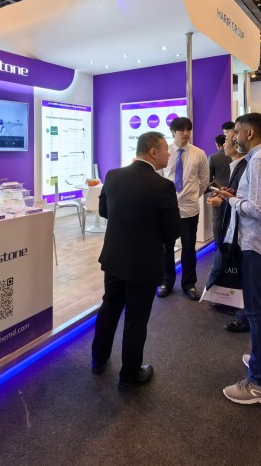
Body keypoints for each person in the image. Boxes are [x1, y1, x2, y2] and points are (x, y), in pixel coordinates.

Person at [91, 131, 181, 392]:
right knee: (135, 319)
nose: (169, 153)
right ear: (153, 152)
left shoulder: (113, 175)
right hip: (143, 264)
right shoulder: (162, 186)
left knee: (109, 308)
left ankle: (98, 360)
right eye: (165, 149)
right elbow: (172, 231)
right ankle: (129, 375)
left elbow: (104, 211)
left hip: (114, 258)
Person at [215, 113, 261, 405]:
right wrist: (237, 195)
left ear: (249, 133)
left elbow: (258, 210)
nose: (232, 137)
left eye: (236, 131)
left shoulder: (259, 161)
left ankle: (259, 384)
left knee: (258, 311)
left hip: (257, 245)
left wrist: (232, 200)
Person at [157, 117, 210, 301]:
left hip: (189, 209)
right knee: (166, 248)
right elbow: (158, 177)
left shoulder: (199, 153)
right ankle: (166, 281)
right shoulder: (164, 152)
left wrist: (193, 196)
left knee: (188, 248)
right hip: (167, 209)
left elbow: (204, 180)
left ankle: (189, 284)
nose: (186, 133)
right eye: (181, 130)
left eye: (188, 129)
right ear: (173, 132)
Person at [205, 125, 249, 332]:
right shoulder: (237, 165)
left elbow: (250, 206)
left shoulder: (247, 166)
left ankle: (243, 314)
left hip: (244, 233)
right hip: (234, 226)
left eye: (228, 138)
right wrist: (226, 195)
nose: (224, 144)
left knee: (241, 268)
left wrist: (223, 202)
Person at [208, 132, 231, 241]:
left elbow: (208, 178)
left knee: (218, 219)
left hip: (218, 191)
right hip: (233, 191)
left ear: (217, 144)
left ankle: (218, 244)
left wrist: (213, 188)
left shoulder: (213, 157)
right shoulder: (234, 155)